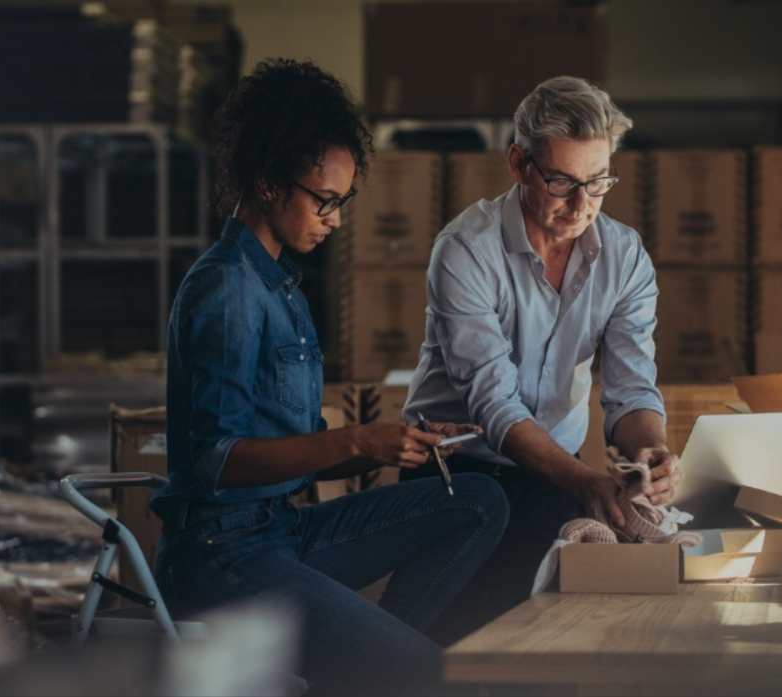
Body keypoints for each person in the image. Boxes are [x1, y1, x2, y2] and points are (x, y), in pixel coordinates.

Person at [149, 57, 509, 697]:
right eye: (324, 200)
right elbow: (215, 460)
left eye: (343, 201)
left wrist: (403, 439)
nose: (335, 219)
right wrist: (357, 442)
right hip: (218, 555)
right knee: (427, 673)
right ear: (266, 182)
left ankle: (366, 668)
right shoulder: (229, 288)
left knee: (478, 499)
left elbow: (301, 454)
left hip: (282, 531)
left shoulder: (281, 283)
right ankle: (383, 668)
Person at [401, 75, 684, 646]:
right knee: (437, 649)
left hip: (557, 470)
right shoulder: (465, 251)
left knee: (539, 646)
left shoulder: (624, 257)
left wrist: (650, 448)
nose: (582, 206)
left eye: (598, 182)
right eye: (561, 182)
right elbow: (494, 405)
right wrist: (584, 481)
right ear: (518, 164)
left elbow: (630, 392)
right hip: (453, 471)